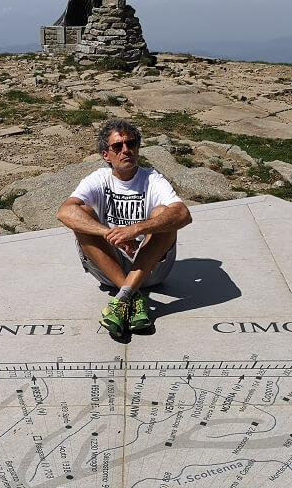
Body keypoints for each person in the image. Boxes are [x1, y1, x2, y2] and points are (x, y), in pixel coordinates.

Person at [58, 119, 192, 336]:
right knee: (83, 216)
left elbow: (184, 214)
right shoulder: (99, 179)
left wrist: (136, 230)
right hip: (109, 267)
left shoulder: (152, 179)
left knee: (164, 215)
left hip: (150, 268)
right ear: (106, 155)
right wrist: (110, 234)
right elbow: (64, 212)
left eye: (131, 144)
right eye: (117, 147)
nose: (126, 150)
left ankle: (122, 297)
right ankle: (132, 295)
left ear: (138, 148)